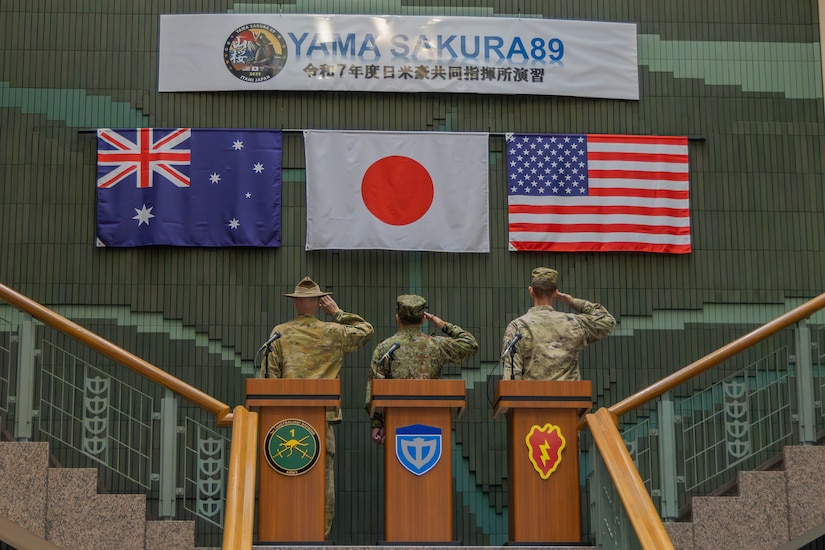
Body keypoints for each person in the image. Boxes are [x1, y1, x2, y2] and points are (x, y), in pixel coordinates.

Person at [261, 276, 373, 539]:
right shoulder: (333, 331)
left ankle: (282, 530)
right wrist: (338, 313)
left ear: (297, 302)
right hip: (322, 417)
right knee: (323, 476)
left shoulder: (280, 332)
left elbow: (269, 378)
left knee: (284, 471)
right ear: (319, 302)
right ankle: (318, 533)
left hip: (284, 420)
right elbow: (365, 330)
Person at [365, 294, 478, 444]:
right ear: (424, 319)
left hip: (395, 422)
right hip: (433, 422)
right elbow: (470, 344)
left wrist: (377, 423)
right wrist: (441, 324)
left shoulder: (385, 348)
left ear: (397, 318)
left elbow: (373, 389)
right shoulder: (436, 345)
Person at [501, 267, 615, 380]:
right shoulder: (574, 323)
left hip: (531, 397)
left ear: (531, 291)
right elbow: (606, 320)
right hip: (571, 396)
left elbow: (511, 374)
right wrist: (572, 301)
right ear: (555, 293)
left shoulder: (517, 326)